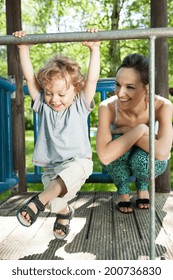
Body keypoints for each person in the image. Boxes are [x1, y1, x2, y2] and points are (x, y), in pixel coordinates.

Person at [13, 29, 100, 238]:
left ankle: (37, 203)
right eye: (49, 93)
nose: (54, 99)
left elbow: (92, 80)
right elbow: (30, 80)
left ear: (75, 92)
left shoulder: (79, 105)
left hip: (78, 163)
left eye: (62, 94)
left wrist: (94, 49)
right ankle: (64, 212)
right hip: (52, 169)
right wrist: (24, 49)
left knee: (48, 195)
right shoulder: (43, 105)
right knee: (54, 201)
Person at [96, 53, 173, 214]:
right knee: (117, 142)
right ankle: (123, 192)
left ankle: (142, 186)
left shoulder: (163, 106)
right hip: (120, 160)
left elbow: (162, 152)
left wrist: (128, 132)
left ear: (147, 88)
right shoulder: (107, 107)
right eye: (118, 85)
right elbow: (105, 156)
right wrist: (140, 130)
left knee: (143, 159)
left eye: (129, 87)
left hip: (147, 159)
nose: (120, 93)